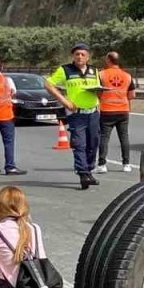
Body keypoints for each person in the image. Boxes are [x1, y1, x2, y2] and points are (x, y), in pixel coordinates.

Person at [45, 42, 101, 190]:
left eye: (83, 54)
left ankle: (88, 170)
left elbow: (99, 89)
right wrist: (64, 100)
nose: (80, 57)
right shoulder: (65, 70)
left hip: (93, 112)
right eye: (77, 54)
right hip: (77, 114)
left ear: (88, 57)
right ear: (73, 56)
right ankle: (83, 173)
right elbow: (48, 84)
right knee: (79, 144)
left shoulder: (94, 71)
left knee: (93, 143)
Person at [93, 51, 135, 174]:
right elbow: (132, 95)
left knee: (104, 138)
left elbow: (98, 93)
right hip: (123, 110)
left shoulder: (101, 75)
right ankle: (126, 164)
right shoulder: (127, 76)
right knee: (124, 137)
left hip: (107, 110)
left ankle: (102, 165)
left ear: (108, 60)